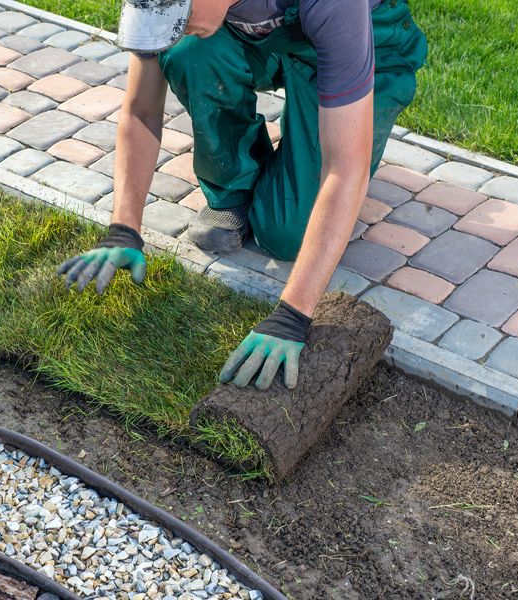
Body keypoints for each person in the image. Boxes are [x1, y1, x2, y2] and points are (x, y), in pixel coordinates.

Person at [57, 0, 427, 391]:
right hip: (268, 38)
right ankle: (236, 189)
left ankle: (315, 138)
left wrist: (292, 315)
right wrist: (123, 228)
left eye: (179, 21)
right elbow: (141, 111)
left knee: (288, 235)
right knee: (189, 52)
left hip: (367, 39)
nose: (173, 30)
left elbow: (344, 168)